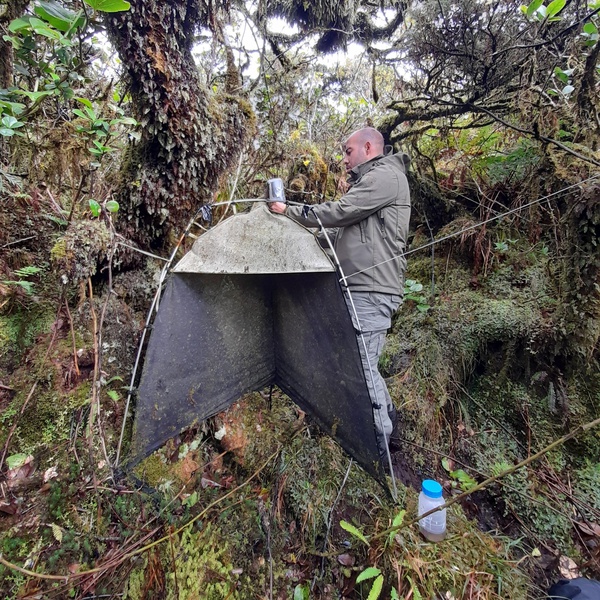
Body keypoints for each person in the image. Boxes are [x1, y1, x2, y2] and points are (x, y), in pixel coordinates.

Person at [269, 127, 411, 460]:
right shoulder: (370, 185)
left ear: (367, 147)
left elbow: (339, 212)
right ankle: (388, 419)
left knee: (362, 365)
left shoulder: (386, 177)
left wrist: (289, 211)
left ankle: (379, 446)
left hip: (372, 290)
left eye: (348, 151)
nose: (344, 159)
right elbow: (335, 234)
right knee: (364, 360)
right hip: (360, 287)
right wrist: (295, 232)